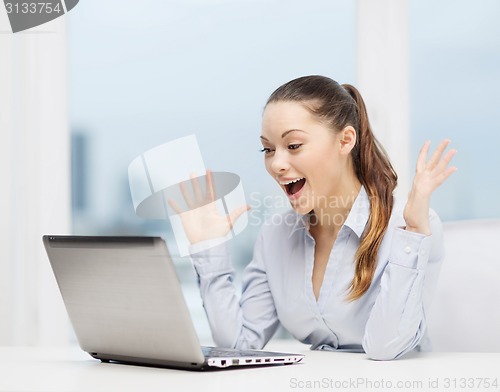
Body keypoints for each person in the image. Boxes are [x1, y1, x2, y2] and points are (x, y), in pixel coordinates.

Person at [169, 75, 457, 361]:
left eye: (293, 146)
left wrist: (415, 231)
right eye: (268, 149)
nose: (277, 164)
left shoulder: (410, 229)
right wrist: (209, 250)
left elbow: (386, 348)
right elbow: (239, 343)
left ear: (345, 141)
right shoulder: (276, 235)